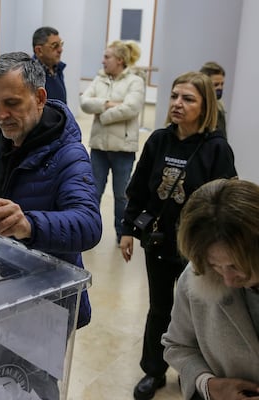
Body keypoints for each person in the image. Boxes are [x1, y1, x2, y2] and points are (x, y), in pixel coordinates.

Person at [0, 51, 101, 400]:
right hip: (1, 288)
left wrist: (30, 223)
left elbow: (89, 224)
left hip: (47, 302)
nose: (1, 115)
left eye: (12, 103)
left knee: (35, 388)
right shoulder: (2, 142)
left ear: (40, 97)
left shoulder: (69, 155)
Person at [120, 71, 237, 400]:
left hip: (198, 252)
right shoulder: (158, 140)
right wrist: (127, 230)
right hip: (158, 244)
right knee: (159, 309)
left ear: (205, 105)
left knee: (202, 316)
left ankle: (199, 377)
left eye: (188, 99)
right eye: (174, 96)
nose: (177, 104)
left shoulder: (217, 149)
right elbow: (139, 189)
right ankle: (153, 371)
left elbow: (226, 203)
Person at [162, 178, 259, 400]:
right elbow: (176, 345)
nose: (227, 280)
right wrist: (209, 385)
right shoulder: (195, 276)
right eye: (215, 265)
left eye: (236, 266)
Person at [80, 40, 145, 244]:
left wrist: (104, 115)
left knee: (121, 195)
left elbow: (132, 108)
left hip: (123, 148)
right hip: (99, 147)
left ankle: (122, 233)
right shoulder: (99, 79)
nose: (103, 60)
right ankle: (89, 230)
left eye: (107, 57)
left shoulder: (135, 81)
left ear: (119, 60)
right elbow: (85, 103)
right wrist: (107, 104)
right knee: (93, 191)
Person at [32, 26, 67, 104]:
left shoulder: (58, 69)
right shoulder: (30, 74)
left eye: (61, 44)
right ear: (39, 50)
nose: (60, 50)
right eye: (55, 46)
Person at [200, 61, 227, 138]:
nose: (220, 88)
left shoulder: (219, 106)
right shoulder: (198, 109)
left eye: (222, 84)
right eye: (216, 84)